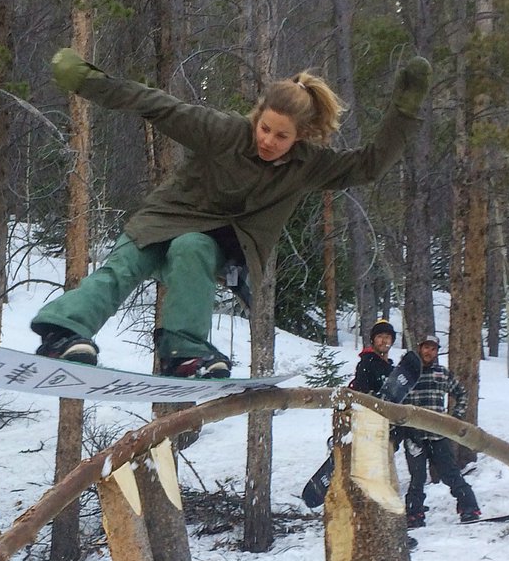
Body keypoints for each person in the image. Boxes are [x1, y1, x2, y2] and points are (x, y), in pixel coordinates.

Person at [31, 48, 432, 378]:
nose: (269, 141)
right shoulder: (222, 131)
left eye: (281, 136)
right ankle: (64, 330)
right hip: (165, 218)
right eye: (265, 129)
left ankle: (184, 350)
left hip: (218, 244)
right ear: (258, 116)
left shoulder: (308, 165)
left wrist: (404, 111)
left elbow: (369, 165)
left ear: (301, 136)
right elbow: (156, 105)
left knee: (194, 248)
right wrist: (88, 81)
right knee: (124, 267)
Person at [400, 333, 480, 526]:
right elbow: (394, 398)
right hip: (414, 436)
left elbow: (461, 393)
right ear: (420, 348)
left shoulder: (442, 373)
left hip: (438, 436)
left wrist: (455, 418)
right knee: (417, 478)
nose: (429, 351)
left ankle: (469, 509)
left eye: (433, 348)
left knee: (451, 474)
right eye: (426, 347)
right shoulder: (407, 372)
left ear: (437, 352)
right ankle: (414, 515)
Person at [350, 318, 397, 394]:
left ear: (392, 341)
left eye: (387, 337)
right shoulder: (366, 364)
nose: (384, 341)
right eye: (380, 336)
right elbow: (362, 395)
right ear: (373, 340)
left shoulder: (392, 369)